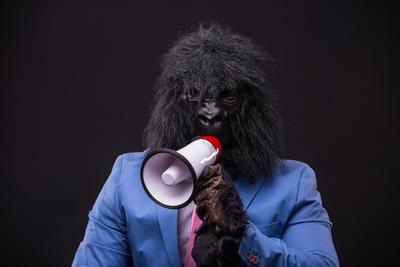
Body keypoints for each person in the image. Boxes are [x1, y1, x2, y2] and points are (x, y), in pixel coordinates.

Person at [72, 22, 339, 267]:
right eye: (193, 95)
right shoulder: (128, 177)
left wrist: (242, 236)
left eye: (229, 97)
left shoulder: (293, 182)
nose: (210, 112)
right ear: (173, 103)